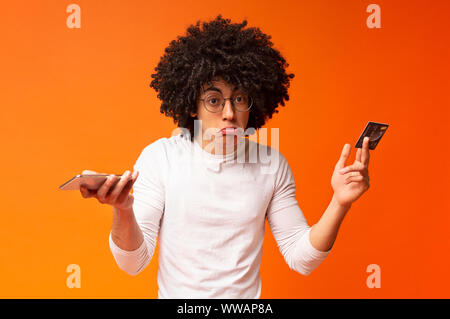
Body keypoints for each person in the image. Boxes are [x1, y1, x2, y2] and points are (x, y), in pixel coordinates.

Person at [80, 15, 371, 298]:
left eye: (240, 98)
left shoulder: (271, 165)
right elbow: (133, 263)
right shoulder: (161, 158)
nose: (230, 113)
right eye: (214, 100)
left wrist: (339, 202)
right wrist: (123, 210)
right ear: (193, 105)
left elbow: (301, 258)